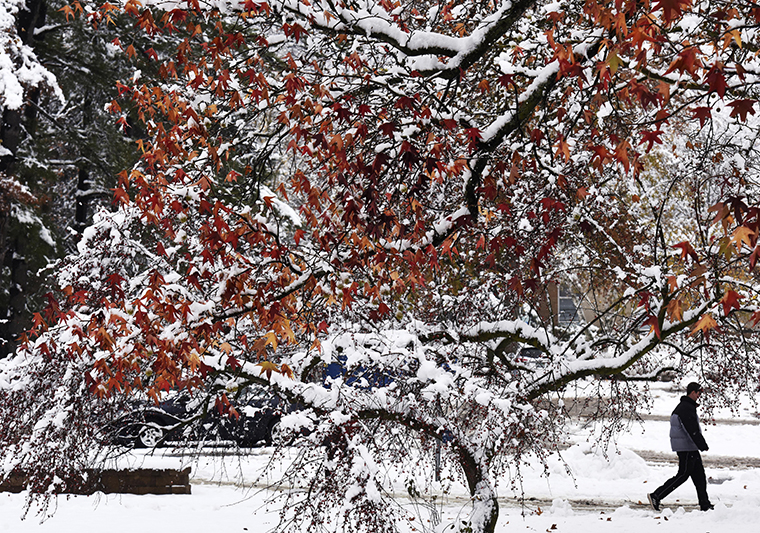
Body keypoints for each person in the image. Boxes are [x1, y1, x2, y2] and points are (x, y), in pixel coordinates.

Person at [647, 382, 714, 511]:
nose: (699, 396)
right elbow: (691, 429)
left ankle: (705, 504)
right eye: (699, 393)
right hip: (687, 448)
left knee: (699, 476)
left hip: (689, 447)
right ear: (692, 392)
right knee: (682, 475)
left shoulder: (686, 406)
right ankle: (656, 495)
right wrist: (701, 444)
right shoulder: (686, 408)